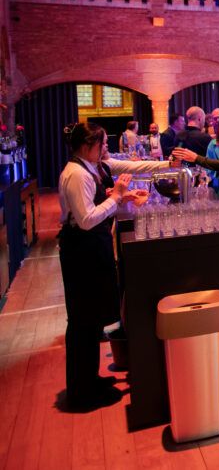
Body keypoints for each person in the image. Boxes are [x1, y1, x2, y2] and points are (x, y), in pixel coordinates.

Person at [57, 122, 171, 410]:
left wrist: (121, 198)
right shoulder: (77, 174)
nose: (107, 148)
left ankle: (89, 380)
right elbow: (85, 220)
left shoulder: (87, 168)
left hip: (90, 247)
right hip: (81, 250)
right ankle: (81, 393)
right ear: (87, 146)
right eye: (102, 144)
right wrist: (117, 196)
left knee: (90, 318)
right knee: (83, 320)